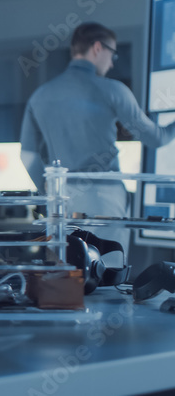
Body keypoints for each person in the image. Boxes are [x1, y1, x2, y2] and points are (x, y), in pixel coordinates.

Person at [21, 22, 175, 249]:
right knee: (106, 272)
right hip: (104, 197)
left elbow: (27, 155)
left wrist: (51, 192)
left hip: (60, 201)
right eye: (112, 54)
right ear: (97, 48)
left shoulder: (40, 95)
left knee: (64, 277)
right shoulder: (112, 90)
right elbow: (156, 138)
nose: (112, 63)